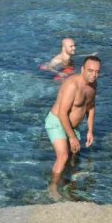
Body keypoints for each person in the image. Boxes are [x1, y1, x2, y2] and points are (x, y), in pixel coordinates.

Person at [45, 55, 101, 199]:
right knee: (63, 156)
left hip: (72, 127)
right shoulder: (72, 86)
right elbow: (62, 113)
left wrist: (90, 131)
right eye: (90, 71)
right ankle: (52, 188)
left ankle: (66, 181)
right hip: (57, 122)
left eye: (97, 72)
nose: (93, 75)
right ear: (82, 69)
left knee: (74, 156)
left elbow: (91, 107)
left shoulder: (93, 85)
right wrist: (72, 137)